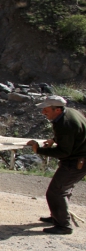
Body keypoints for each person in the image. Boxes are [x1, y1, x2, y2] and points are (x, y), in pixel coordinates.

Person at [27, 95, 86, 235]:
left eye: (46, 109)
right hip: (79, 158)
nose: (43, 112)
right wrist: (54, 139)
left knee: (56, 192)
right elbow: (75, 133)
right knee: (63, 189)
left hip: (77, 162)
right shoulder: (71, 112)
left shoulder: (64, 124)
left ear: (57, 109)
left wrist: (39, 149)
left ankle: (63, 226)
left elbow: (64, 152)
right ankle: (58, 216)